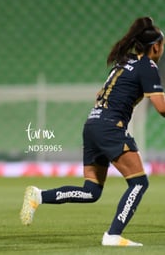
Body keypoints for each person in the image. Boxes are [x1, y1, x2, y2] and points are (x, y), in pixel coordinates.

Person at [20, 17, 165, 246]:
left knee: (91, 191)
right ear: (156, 46)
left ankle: (39, 195)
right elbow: (162, 108)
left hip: (93, 124)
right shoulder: (147, 66)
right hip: (110, 127)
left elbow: (100, 93)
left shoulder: (122, 64)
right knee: (139, 183)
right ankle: (113, 235)